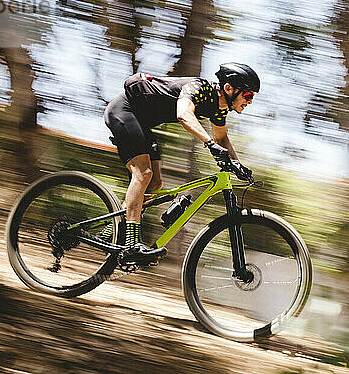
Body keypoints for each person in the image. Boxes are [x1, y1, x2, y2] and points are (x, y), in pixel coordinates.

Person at [103, 62, 260, 263]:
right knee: (143, 174)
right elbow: (184, 114)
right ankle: (132, 243)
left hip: (140, 122)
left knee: (154, 184)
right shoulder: (199, 87)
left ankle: (113, 230)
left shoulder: (219, 109)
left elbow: (221, 138)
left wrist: (238, 165)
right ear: (229, 88)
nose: (250, 101)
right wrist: (209, 143)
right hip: (124, 111)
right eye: (248, 96)